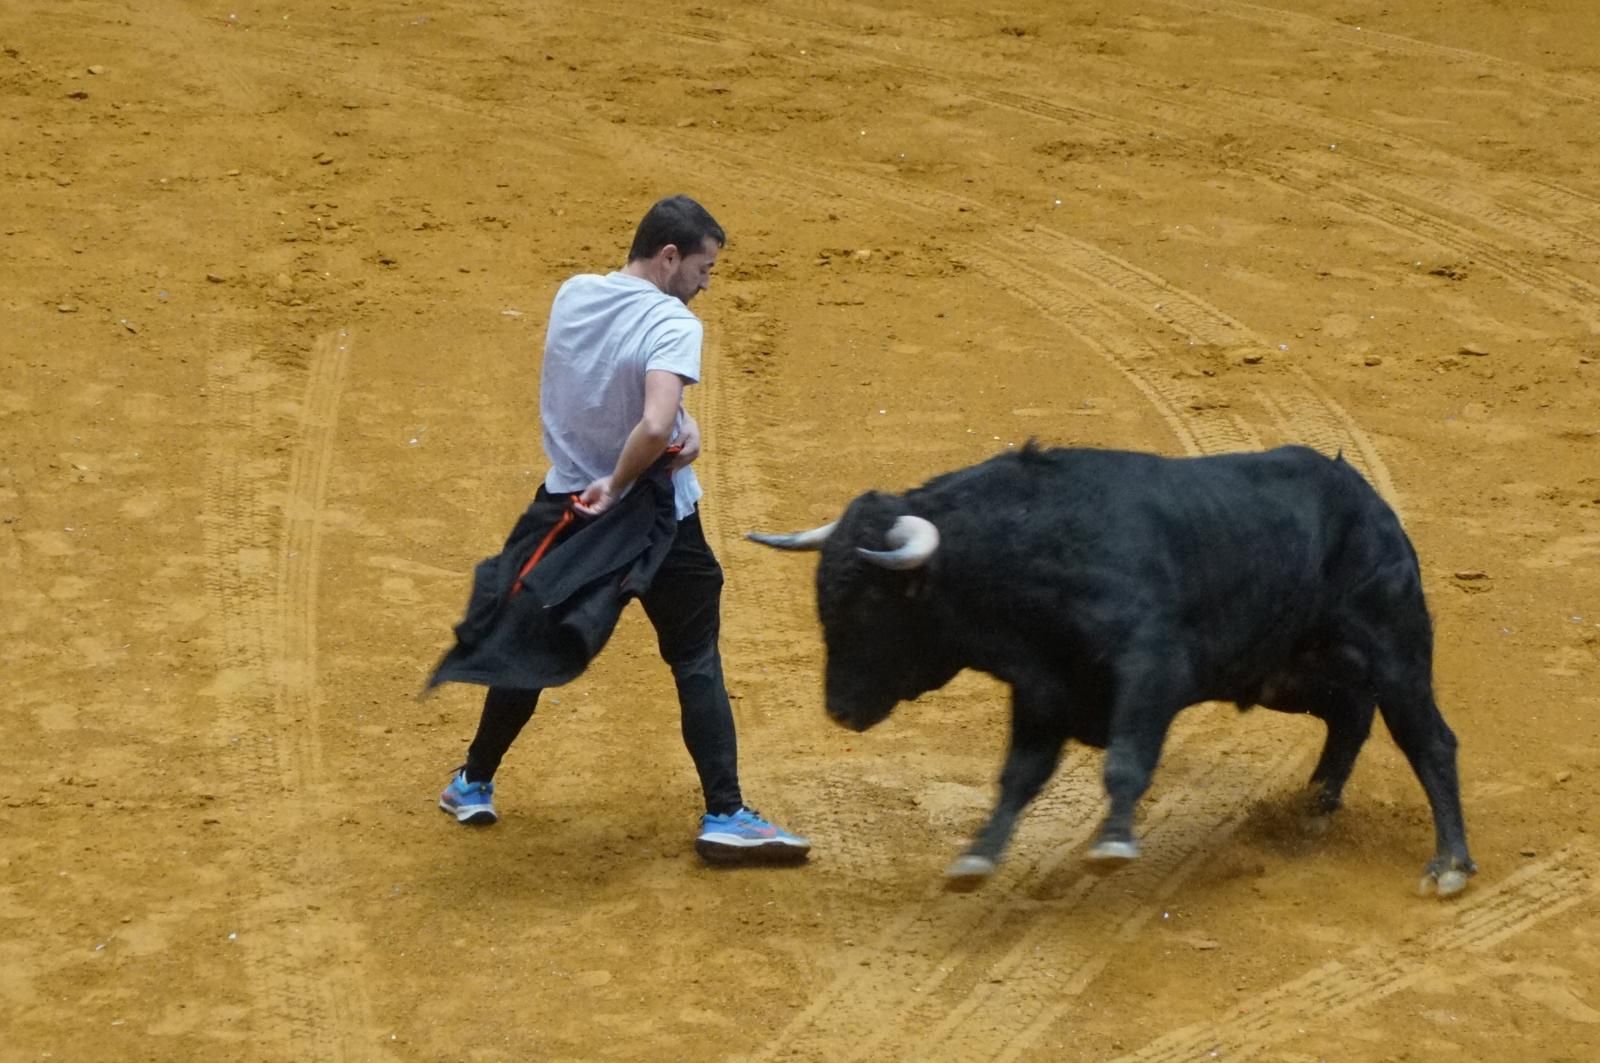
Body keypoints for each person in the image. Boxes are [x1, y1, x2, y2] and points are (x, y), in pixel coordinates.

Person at [431, 194, 809, 865]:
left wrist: (657, 443)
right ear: (669, 256)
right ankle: (725, 813)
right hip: (656, 518)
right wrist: (631, 472)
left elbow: (604, 389)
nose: (706, 283)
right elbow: (656, 422)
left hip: (569, 508)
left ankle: (472, 781)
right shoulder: (672, 322)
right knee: (694, 656)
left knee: (533, 642)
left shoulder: (574, 294)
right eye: (703, 268)